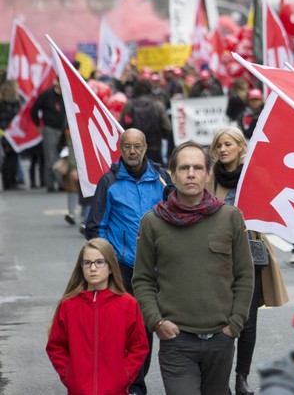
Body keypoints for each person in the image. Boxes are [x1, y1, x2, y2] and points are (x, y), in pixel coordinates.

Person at [132, 141, 254, 395]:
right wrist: (156, 321)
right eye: (184, 167)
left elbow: (244, 275)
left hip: (221, 339)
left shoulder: (230, 217)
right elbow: (142, 280)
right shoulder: (153, 222)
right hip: (177, 341)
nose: (191, 173)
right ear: (172, 174)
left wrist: (235, 324)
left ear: (207, 175)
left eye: (198, 168)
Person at [84, 128, 169, 394]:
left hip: (156, 267)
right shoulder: (109, 181)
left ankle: (135, 384)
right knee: (120, 329)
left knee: (146, 328)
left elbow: (175, 215)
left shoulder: (162, 179)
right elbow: (95, 226)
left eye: (137, 146)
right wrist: (107, 261)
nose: (133, 152)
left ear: (145, 148)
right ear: (120, 149)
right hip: (121, 267)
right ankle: (125, 383)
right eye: (127, 147)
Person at [208, 126, 289, 395]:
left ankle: (241, 378)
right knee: (222, 320)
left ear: (241, 147)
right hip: (218, 258)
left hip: (249, 255)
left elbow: (273, 203)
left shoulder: (253, 175)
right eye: (219, 145)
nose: (223, 149)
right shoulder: (211, 179)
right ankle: (221, 380)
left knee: (248, 321)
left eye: (228, 144)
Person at [46, 238, 149, 395]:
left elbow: (139, 346)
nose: (93, 268)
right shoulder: (69, 305)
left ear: (110, 267)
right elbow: (56, 346)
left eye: (99, 262)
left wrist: (124, 375)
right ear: (81, 268)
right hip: (79, 390)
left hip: (116, 390)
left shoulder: (127, 304)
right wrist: (69, 375)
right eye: (87, 263)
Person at [121, 78, 172, 165]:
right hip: (154, 148)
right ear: (150, 89)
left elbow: (122, 126)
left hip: (133, 150)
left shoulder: (129, 105)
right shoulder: (158, 105)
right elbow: (168, 127)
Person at [30, 77, 66, 191]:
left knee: (63, 156)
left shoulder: (66, 94)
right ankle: (50, 184)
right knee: (50, 157)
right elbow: (34, 110)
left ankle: (61, 183)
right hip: (50, 128)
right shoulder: (47, 94)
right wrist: (39, 125)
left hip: (63, 129)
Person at [0, 79, 21, 190]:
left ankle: (7, 182)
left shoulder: (2, 102)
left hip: (3, 133)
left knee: (8, 158)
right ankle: (11, 181)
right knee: (12, 158)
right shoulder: (14, 103)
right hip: (12, 134)